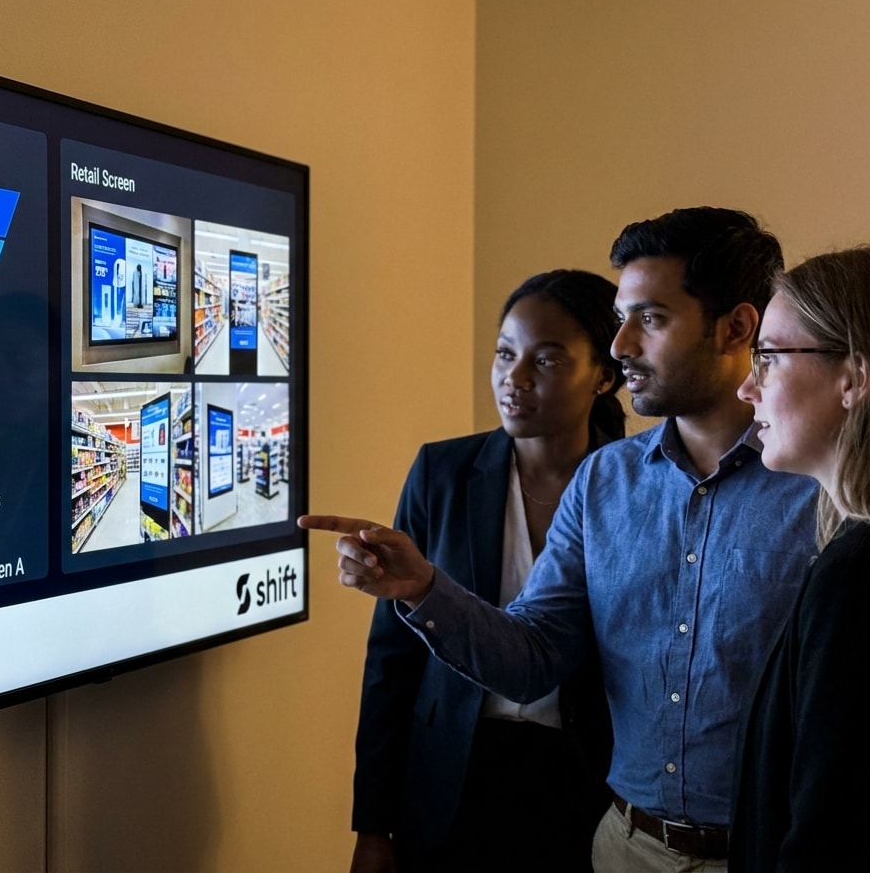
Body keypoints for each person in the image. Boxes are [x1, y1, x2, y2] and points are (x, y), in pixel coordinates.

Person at [301, 207, 820, 872]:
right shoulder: (605, 483)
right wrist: (424, 590)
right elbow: (534, 656)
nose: (622, 344)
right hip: (624, 848)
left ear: (737, 328)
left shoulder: (823, 489)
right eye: (622, 318)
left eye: (650, 320)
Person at [352, 270, 623, 873]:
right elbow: (391, 659)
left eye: (547, 360)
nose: (515, 378)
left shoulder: (633, 486)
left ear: (604, 375)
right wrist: (372, 825)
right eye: (505, 353)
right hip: (451, 770)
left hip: (585, 777)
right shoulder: (442, 472)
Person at [728, 246, 870, 871]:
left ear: (854, 377)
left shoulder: (860, 572)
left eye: (767, 358)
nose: (747, 387)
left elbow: (832, 826)